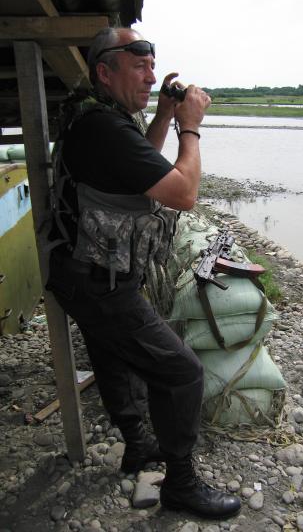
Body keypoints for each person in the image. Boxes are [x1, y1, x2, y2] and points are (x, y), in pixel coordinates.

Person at [46, 27, 241, 519]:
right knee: (180, 373)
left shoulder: (96, 117)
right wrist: (190, 128)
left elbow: (140, 167)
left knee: (110, 354)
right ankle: (181, 483)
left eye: (153, 67)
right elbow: (181, 192)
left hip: (83, 271)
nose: (151, 76)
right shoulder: (105, 127)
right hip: (99, 280)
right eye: (139, 67)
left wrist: (160, 118)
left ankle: (137, 444)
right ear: (105, 72)